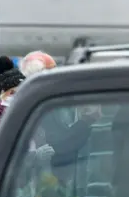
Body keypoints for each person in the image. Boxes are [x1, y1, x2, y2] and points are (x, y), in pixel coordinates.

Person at [19, 51, 101, 182]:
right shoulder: (38, 105)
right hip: (42, 179)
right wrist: (85, 123)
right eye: (51, 73)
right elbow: (59, 144)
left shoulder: (44, 101)